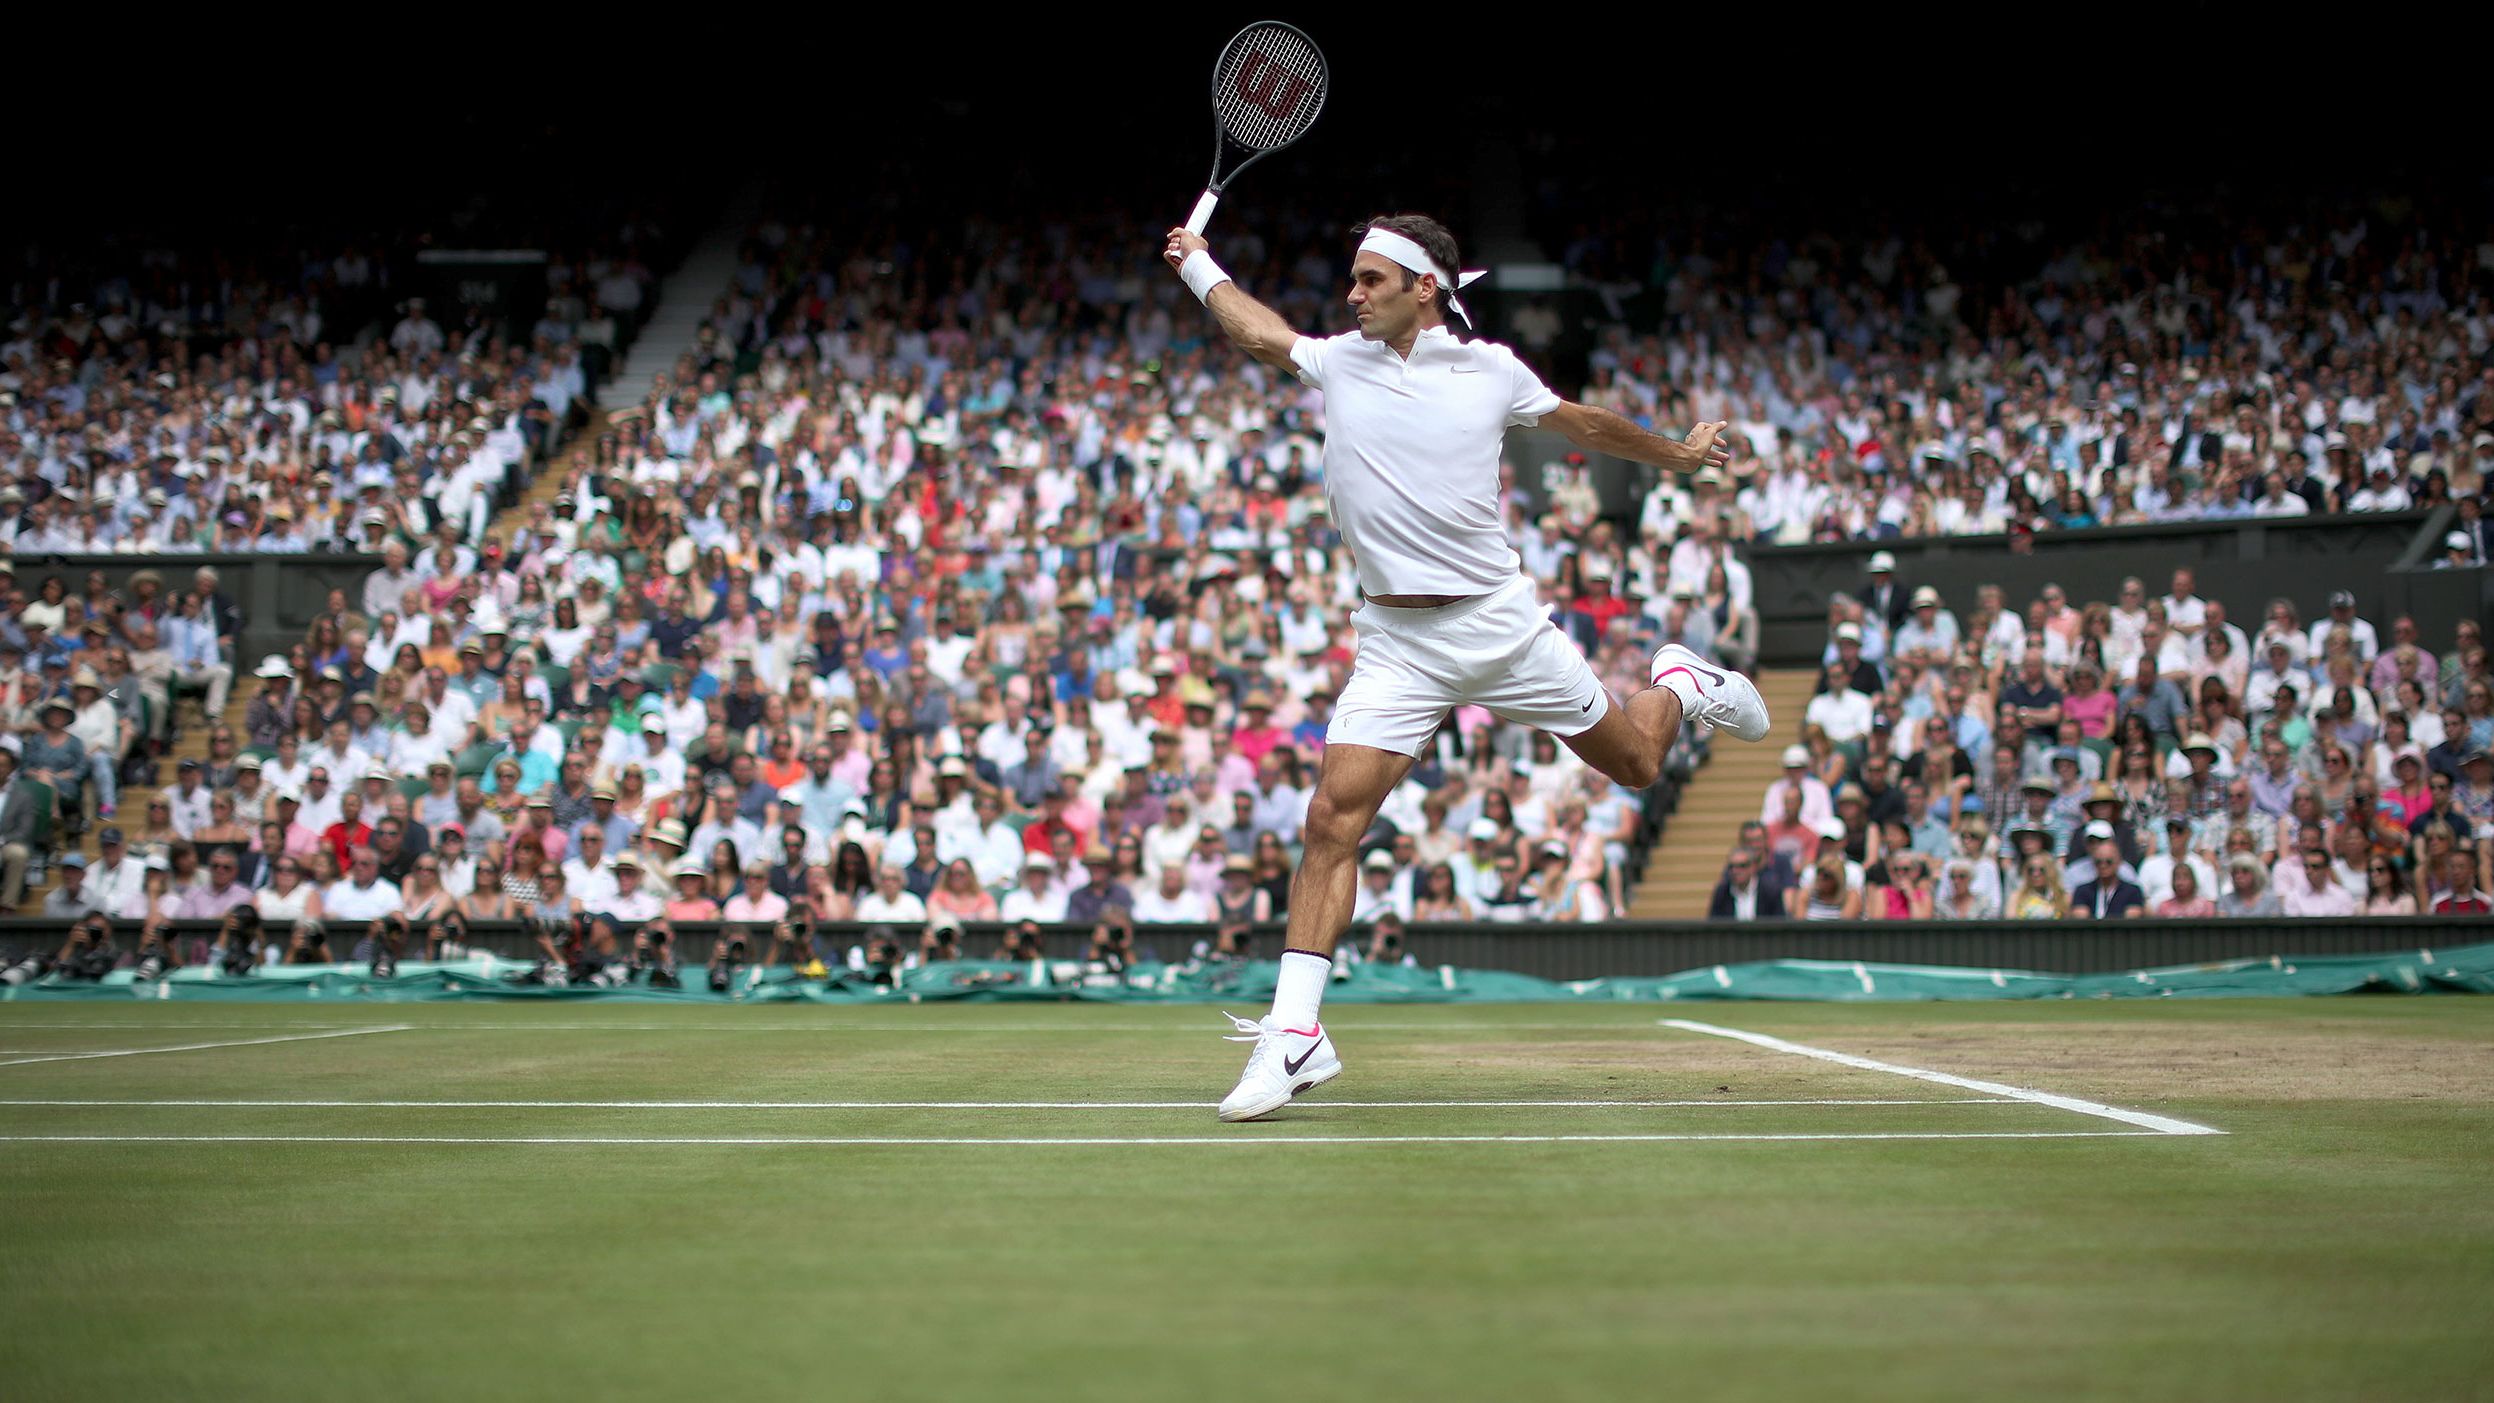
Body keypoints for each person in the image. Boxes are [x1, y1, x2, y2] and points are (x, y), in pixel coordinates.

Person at [1165, 211, 1770, 1121]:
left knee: (1639, 766)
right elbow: (1255, 330)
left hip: (1499, 628)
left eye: (1372, 280)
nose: (1353, 293)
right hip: (1397, 644)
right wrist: (1196, 262)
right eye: (1354, 278)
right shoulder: (1338, 359)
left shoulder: (1489, 372)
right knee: (1333, 816)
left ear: (1424, 288)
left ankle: (1680, 684)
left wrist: (1677, 455)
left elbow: (1587, 426)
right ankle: (1296, 1036)